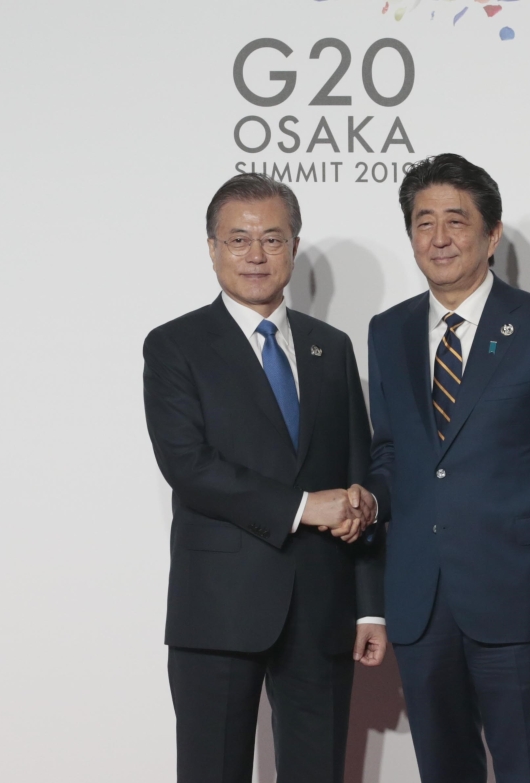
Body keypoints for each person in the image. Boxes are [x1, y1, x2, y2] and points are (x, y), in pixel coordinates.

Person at [362, 154, 530, 783]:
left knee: (529, 769)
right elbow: (388, 450)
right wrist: (368, 501)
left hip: (519, 593)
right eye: (423, 223)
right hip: (421, 597)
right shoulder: (387, 332)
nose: (438, 238)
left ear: (491, 234)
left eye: (455, 221)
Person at [142, 173, 387, 783]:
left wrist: (369, 609)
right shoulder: (175, 346)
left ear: (295, 246)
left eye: (272, 239)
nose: (256, 255)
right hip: (218, 607)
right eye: (238, 239)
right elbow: (189, 467)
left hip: (322, 609)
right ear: (212, 247)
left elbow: (357, 473)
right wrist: (305, 506)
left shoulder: (332, 348)